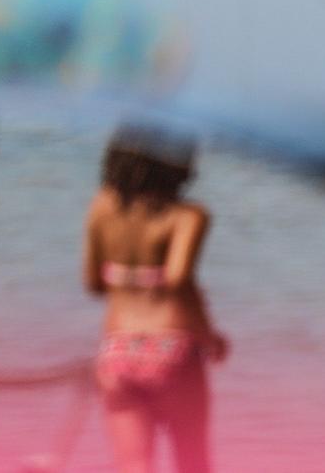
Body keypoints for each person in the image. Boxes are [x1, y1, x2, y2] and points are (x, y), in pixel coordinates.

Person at [85, 128, 226, 473]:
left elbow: (93, 283)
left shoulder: (102, 207)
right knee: (192, 462)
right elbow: (179, 279)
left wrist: (129, 276)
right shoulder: (188, 216)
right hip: (171, 349)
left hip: (116, 352)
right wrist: (210, 337)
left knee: (133, 465)